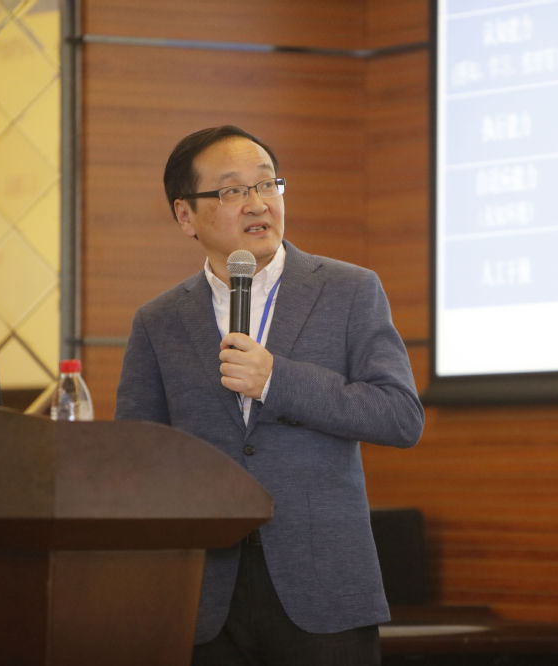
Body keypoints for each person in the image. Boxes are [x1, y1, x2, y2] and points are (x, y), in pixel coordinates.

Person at [114, 125, 424, 665]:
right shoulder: (159, 321)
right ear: (185, 215)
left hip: (322, 585)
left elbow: (400, 416)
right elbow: (138, 457)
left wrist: (277, 380)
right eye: (233, 190)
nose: (258, 203)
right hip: (204, 592)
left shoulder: (349, 290)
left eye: (267, 184)